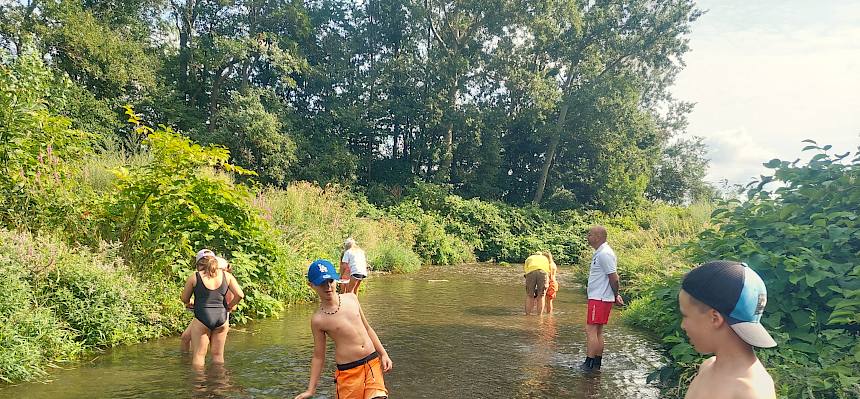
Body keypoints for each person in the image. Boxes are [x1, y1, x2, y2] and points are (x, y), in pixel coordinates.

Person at [295, 259, 392, 399]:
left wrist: (383, 353)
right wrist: (311, 389)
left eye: (330, 281)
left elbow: (368, 329)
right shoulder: (319, 320)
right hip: (349, 372)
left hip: (371, 362)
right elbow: (318, 356)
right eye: (322, 283)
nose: (327, 287)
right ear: (311, 285)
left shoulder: (351, 298)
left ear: (336, 280)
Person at [680, 260, 777, 399]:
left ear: (715, 318)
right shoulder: (708, 366)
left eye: (685, 315)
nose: (683, 325)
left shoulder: (750, 392)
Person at [180, 249, 244, 367]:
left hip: (202, 318)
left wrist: (189, 303)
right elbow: (240, 295)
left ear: (198, 264)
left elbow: (184, 298)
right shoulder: (226, 275)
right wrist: (229, 306)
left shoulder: (195, 277)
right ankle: (219, 383)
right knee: (218, 356)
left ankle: (199, 385)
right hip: (222, 318)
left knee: (199, 355)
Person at [581, 225, 623, 372]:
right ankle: (597, 364)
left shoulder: (604, 254)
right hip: (601, 297)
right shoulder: (601, 252)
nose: (587, 236)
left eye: (589, 234)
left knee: (590, 330)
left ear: (598, 237)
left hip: (599, 298)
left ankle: (588, 363)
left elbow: (614, 278)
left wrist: (616, 294)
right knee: (598, 331)